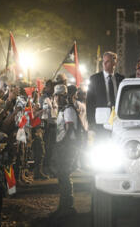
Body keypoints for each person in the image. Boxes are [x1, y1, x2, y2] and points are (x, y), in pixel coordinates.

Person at [50, 84, 78, 220]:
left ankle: (68, 207)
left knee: (64, 176)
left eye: (57, 95)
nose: (55, 98)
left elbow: (70, 128)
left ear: (63, 96)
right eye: (55, 95)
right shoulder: (63, 110)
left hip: (67, 147)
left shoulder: (68, 110)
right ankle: (65, 206)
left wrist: (62, 145)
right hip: (64, 146)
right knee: (63, 177)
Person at [87, 52, 125, 134]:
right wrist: (91, 122)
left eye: (107, 61)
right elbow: (89, 101)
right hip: (101, 121)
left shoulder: (121, 79)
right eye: (103, 61)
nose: (104, 64)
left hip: (118, 119)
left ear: (114, 63)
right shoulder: (94, 79)